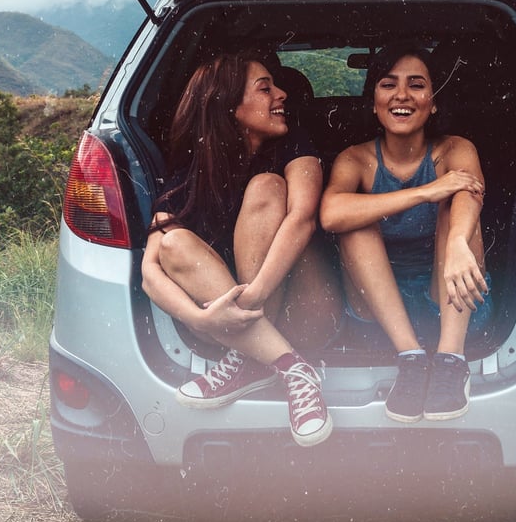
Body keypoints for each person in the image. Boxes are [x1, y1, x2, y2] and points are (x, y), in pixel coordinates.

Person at [141, 52, 339, 447]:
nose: (282, 94)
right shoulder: (190, 173)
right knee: (173, 242)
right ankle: (290, 367)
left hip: (307, 314)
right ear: (226, 105)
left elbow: (303, 218)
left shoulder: (295, 146)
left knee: (267, 187)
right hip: (228, 329)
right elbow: (150, 269)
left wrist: (250, 302)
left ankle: (256, 359)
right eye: (266, 88)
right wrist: (199, 322)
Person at [320, 41, 492, 424]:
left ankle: (451, 360)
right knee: (354, 221)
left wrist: (460, 242)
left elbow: (469, 191)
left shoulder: (455, 148)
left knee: (458, 206)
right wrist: (425, 192)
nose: (401, 96)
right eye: (388, 84)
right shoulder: (356, 158)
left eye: (416, 85)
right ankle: (411, 360)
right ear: (373, 100)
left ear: (434, 101)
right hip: (380, 315)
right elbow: (331, 214)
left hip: (450, 300)